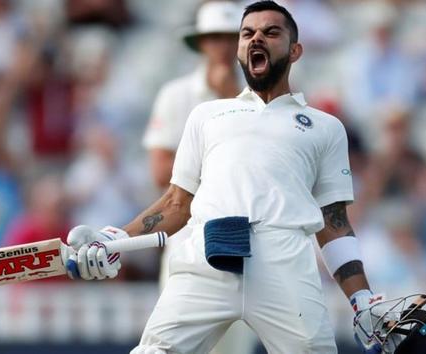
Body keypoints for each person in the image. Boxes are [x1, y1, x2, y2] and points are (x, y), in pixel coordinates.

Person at [67, 2, 383, 353]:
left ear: (296, 51)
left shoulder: (325, 127)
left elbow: (334, 222)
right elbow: (176, 203)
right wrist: (114, 239)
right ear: (239, 50)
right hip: (207, 257)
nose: (256, 38)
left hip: (285, 264)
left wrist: (362, 299)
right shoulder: (206, 115)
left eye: (270, 32)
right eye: (247, 33)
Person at [142, 2, 256, 352]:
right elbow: (160, 171)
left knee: (234, 347)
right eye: (215, 38)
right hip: (187, 236)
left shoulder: (261, 98)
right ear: (202, 44)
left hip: (244, 239)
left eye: (229, 38)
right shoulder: (177, 95)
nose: (222, 47)